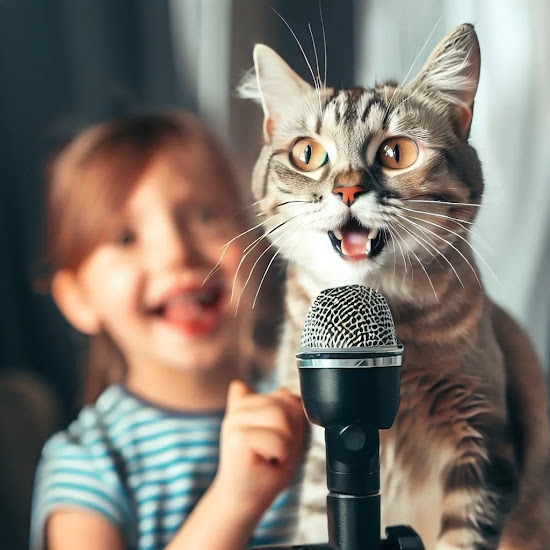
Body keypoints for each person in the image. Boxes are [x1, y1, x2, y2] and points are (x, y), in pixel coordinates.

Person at [30, 111, 306, 550]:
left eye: (204, 215)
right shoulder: (86, 467)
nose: (176, 254)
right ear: (77, 299)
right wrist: (234, 503)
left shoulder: (314, 414)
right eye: (125, 237)